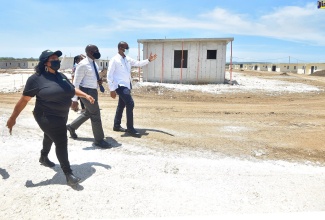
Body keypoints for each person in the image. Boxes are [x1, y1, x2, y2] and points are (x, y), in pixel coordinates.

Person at [6, 49, 95, 186]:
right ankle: (68, 173)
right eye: (53, 59)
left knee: (49, 135)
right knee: (60, 139)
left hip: (61, 115)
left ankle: (43, 157)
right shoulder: (36, 79)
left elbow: (71, 89)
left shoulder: (61, 76)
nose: (56, 61)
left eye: (57, 59)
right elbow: (23, 100)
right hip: (45, 116)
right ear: (45, 63)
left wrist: (85, 95)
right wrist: (13, 118)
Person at [107, 41, 157, 137]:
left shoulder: (127, 59)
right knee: (130, 103)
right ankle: (130, 128)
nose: (127, 50)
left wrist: (149, 60)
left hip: (127, 85)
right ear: (120, 48)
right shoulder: (114, 60)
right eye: (126, 48)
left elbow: (138, 63)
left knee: (121, 105)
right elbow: (109, 75)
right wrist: (111, 89)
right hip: (119, 86)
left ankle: (116, 125)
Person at [67, 44, 111, 148]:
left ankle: (71, 127)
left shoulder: (94, 63)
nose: (97, 52)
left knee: (89, 112)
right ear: (89, 52)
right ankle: (99, 140)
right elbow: (76, 83)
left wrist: (98, 81)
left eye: (98, 50)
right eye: (95, 50)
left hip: (93, 91)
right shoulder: (82, 64)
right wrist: (74, 100)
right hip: (85, 91)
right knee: (95, 114)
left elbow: (91, 77)